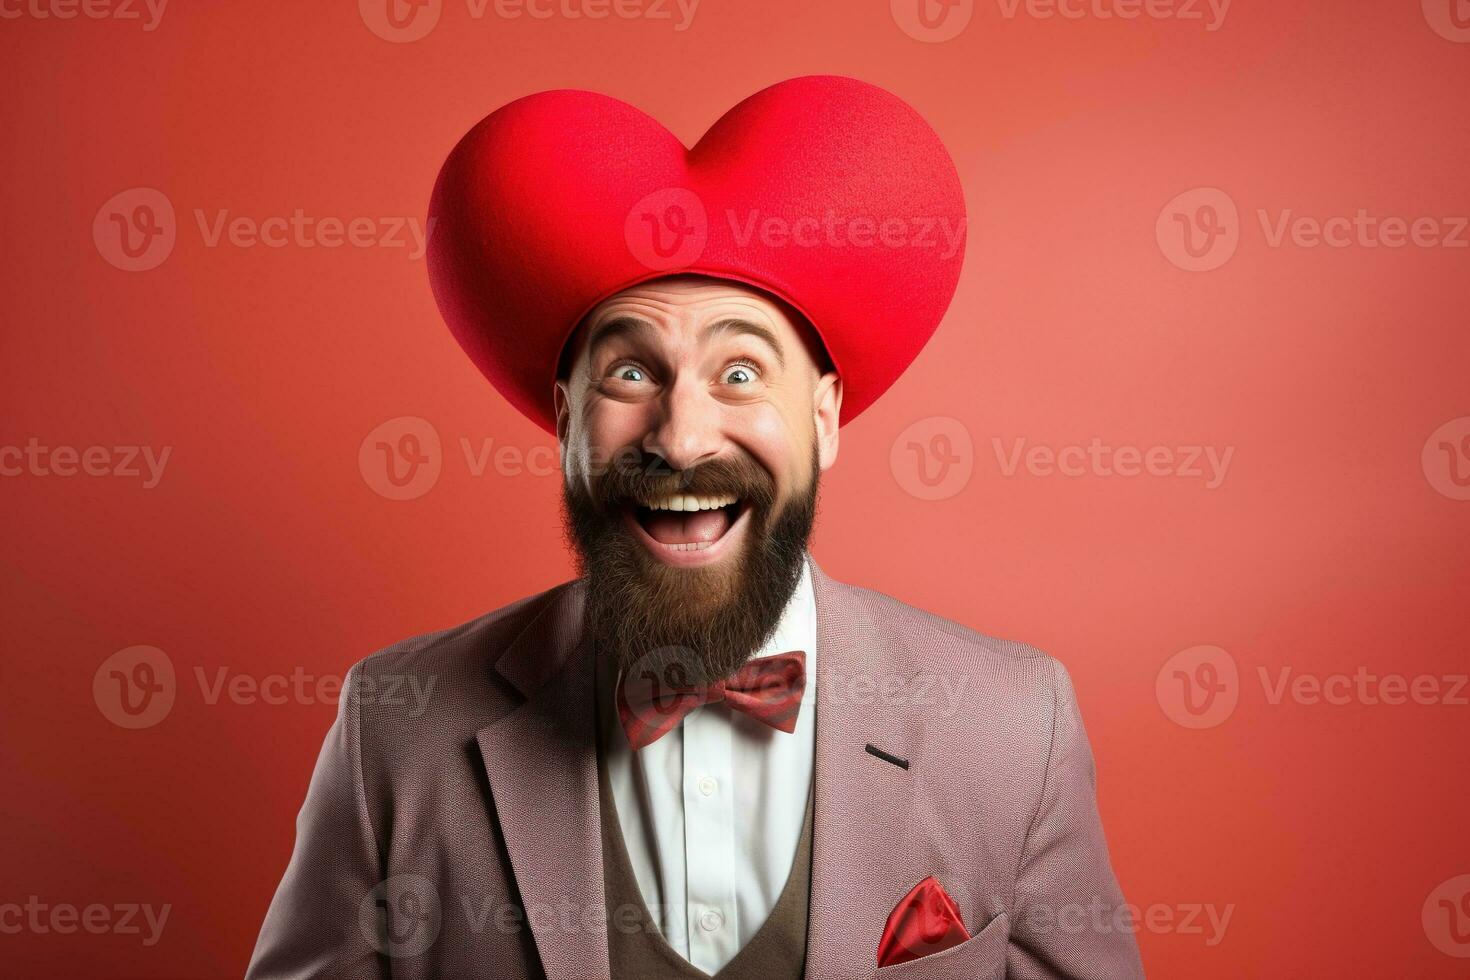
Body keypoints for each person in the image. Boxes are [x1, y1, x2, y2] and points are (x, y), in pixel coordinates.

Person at [246, 76, 1144, 980]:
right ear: (564, 421)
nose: (680, 438)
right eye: (630, 374)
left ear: (825, 418)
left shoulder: (1010, 726)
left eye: (742, 372)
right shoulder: (396, 728)